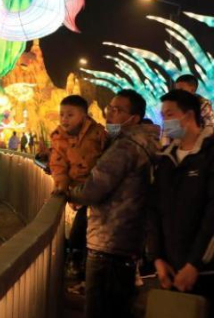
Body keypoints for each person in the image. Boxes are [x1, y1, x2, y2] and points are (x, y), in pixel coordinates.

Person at [65, 89, 161, 318]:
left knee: (101, 309)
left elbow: (95, 187)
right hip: (127, 242)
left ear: (134, 119)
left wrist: (71, 194)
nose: (110, 115)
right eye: (110, 108)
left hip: (109, 241)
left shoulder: (125, 146)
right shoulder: (146, 142)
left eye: (118, 111)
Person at [148, 90, 214, 318]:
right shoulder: (166, 159)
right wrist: (157, 258)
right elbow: (154, 210)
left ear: (188, 116)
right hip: (172, 269)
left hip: (211, 271)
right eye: (162, 115)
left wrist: (195, 264)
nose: (164, 121)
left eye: (169, 114)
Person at [49, 95, 109, 283]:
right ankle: (78, 264)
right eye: (62, 115)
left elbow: (108, 156)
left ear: (83, 116)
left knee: (85, 231)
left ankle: (81, 265)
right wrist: (62, 186)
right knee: (80, 230)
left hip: (98, 189)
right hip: (77, 191)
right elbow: (58, 165)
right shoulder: (58, 137)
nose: (64, 119)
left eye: (70, 115)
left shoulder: (98, 133)